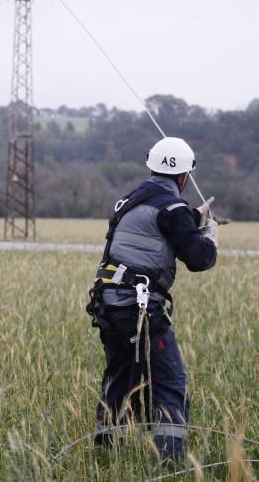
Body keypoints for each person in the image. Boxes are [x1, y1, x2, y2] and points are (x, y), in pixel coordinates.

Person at [86, 137, 218, 464]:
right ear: (185, 177)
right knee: (171, 383)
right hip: (140, 310)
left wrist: (190, 220)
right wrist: (210, 236)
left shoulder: (127, 201)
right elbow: (198, 259)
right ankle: (168, 463)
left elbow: (150, 234)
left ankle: (105, 455)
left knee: (119, 378)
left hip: (108, 306)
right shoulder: (173, 210)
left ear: (150, 168)